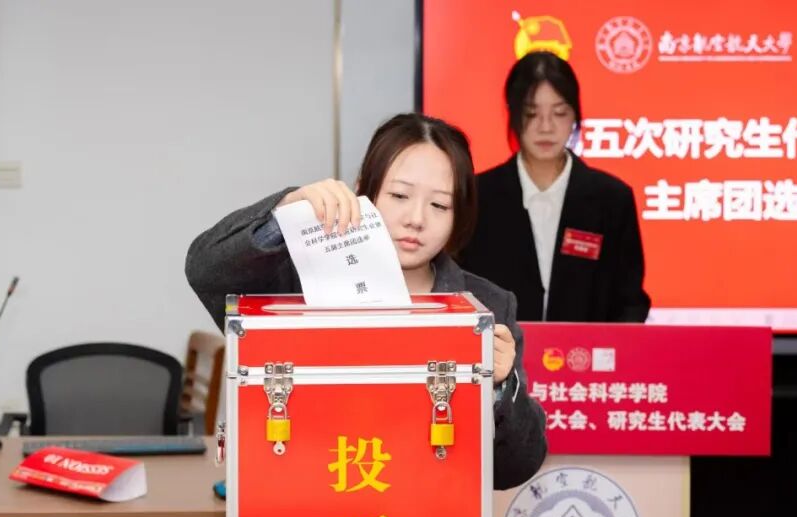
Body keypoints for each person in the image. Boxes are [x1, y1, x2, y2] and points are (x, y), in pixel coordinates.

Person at [185, 112, 547, 492]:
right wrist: (286, 212)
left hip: (424, 516)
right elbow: (205, 270)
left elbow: (515, 468)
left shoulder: (486, 307)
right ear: (364, 192)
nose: (416, 219)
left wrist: (500, 387)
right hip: (305, 506)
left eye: (440, 205)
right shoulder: (298, 281)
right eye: (399, 196)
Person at [458, 51, 650, 323]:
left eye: (559, 113)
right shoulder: (477, 196)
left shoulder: (612, 199)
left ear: (575, 116)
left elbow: (629, 301)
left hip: (589, 349)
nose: (546, 127)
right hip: (497, 348)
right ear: (513, 115)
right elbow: (458, 289)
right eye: (531, 113)